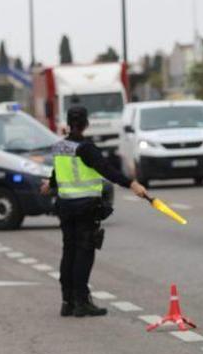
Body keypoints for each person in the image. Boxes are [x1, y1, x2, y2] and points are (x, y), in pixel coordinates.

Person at [41, 106, 148, 317]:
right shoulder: (86, 148)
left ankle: (67, 302)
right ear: (86, 124)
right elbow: (106, 169)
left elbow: (59, 172)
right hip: (85, 208)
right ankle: (82, 302)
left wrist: (50, 185)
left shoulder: (59, 146)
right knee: (84, 253)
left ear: (69, 123)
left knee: (68, 252)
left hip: (65, 206)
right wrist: (132, 184)